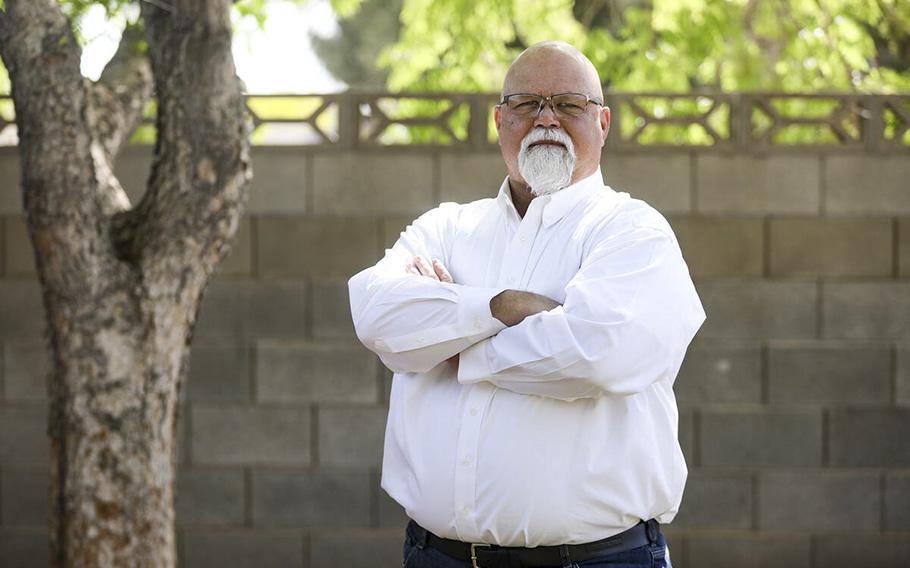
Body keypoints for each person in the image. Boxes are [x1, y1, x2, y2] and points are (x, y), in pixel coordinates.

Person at [348, 40, 705, 568]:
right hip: (437, 557)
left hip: (597, 561)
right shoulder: (447, 227)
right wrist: (503, 306)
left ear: (603, 122)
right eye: (525, 104)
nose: (546, 119)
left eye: (567, 104)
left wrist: (453, 345)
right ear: (499, 119)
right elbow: (378, 316)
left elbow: (597, 354)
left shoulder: (632, 232)